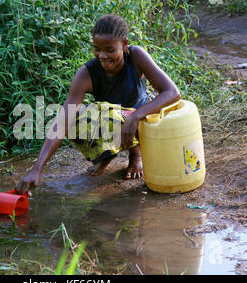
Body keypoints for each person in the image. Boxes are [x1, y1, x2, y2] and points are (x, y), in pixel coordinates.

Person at [15, 14, 180, 194]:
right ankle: (107, 154)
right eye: (97, 49)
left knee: (111, 115)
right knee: (76, 119)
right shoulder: (86, 74)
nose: (102, 56)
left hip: (142, 121)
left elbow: (172, 92)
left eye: (109, 50)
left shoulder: (136, 56)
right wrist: (37, 169)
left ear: (124, 45)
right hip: (113, 122)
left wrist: (135, 116)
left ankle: (135, 154)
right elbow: (62, 121)